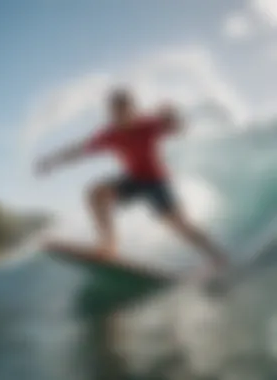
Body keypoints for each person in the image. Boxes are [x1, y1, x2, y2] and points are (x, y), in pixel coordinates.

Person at [35, 88, 229, 275]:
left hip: (156, 181)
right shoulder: (109, 134)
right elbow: (79, 151)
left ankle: (218, 257)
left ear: (133, 110)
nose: (119, 117)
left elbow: (179, 129)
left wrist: (172, 116)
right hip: (134, 180)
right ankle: (108, 246)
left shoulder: (148, 124)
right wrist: (52, 161)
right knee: (96, 193)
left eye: (124, 111)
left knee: (179, 225)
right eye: (114, 112)